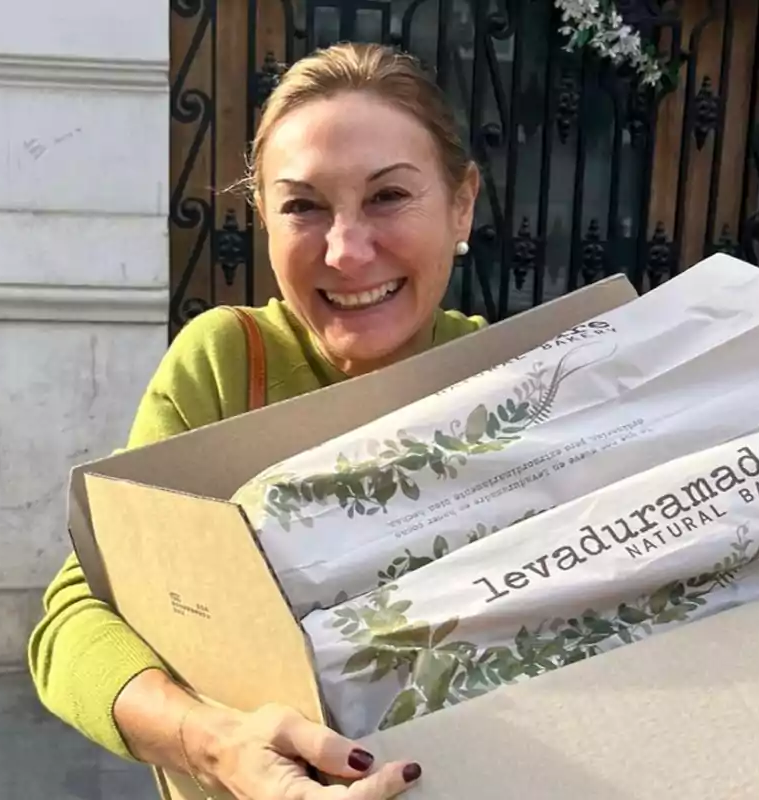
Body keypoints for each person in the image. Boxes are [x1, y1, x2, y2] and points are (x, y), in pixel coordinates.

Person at [28, 41, 485, 800]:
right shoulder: (227, 367)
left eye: (388, 196)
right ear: (265, 220)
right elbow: (75, 623)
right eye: (304, 205)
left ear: (462, 202)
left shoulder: (513, 378)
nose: (347, 250)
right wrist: (217, 746)